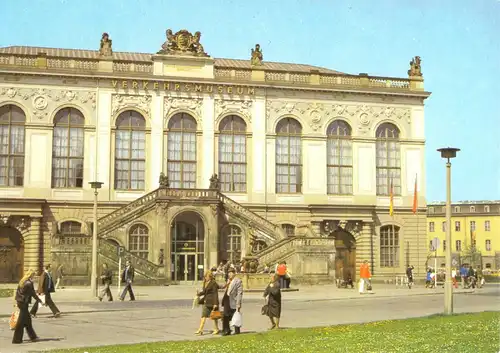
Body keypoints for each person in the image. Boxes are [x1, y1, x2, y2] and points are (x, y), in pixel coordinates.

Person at [12, 269, 44, 344]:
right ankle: (16, 339)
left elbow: (18, 292)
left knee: (28, 321)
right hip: (23, 303)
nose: (34, 276)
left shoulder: (22, 281)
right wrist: (40, 301)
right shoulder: (29, 283)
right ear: (31, 275)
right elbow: (33, 293)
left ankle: (33, 337)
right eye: (34, 275)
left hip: (20, 302)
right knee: (21, 322)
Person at [195, 271, 220, 335]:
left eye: (207, 276)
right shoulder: (205, 282)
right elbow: (204, 292)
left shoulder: (213, 283)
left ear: (210, 277)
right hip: (206, 302)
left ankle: (216, 329)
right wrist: (199, 294)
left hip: (212, 302)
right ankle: (200, 330)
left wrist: (215, 304)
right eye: (205, 276)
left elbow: (215, 294)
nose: (205, 278)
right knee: (203, 316)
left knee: (214, 316)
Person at [221, 267, 243, 336]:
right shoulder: (228, 281)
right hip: (227, 300)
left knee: (235, 315)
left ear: (234, 273)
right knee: (225, 316)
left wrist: (238, 303)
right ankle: (226, 330)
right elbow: (223, 288)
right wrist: (227, 283)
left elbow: (240, 293)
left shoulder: (238, 281)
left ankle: (237, 330)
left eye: (231, 273)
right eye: (229, 273)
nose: (229, 274)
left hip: (233, 300)